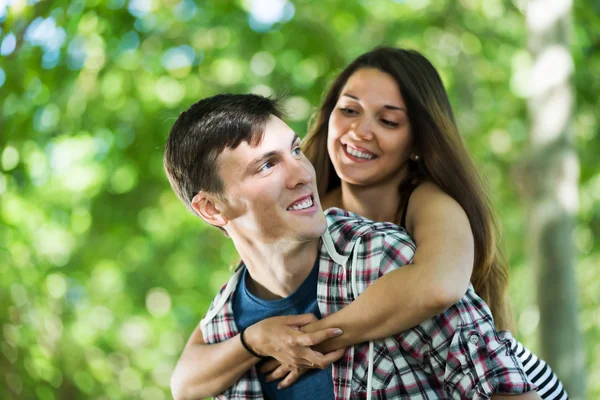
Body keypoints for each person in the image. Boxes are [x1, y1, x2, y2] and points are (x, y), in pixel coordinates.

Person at [164, 93, 540, 399]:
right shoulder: (224, 325)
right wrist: (251, 342)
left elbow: (506, 391)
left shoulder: (382, 258)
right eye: (266, 166)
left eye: (295, 150)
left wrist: (315, 336)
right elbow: (183, 385)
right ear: (211, 208)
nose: (302, 173)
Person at [297, 46, 567, 399]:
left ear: (416, 142)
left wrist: (313, 342)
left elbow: (440, 286)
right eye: (349, 110)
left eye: (388, 121)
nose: (360, 130)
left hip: (511, 383)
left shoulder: (428, 201)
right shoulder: (306, 213)